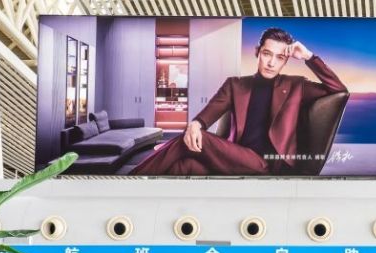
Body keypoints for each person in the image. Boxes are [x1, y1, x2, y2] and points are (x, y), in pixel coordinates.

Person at [130, 27, 347, 176]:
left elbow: (338, 89)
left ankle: (130, 181)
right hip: (233, 158)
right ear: (258, 53)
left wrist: (309, 57)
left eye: (280, 57)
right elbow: (211, 111)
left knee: (186, 140)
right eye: (267, 54)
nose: (271, 63)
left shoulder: (296, 85)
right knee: (184, 165)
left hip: (267, 164)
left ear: (285, 61)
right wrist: (195, 123)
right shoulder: (236, 85)